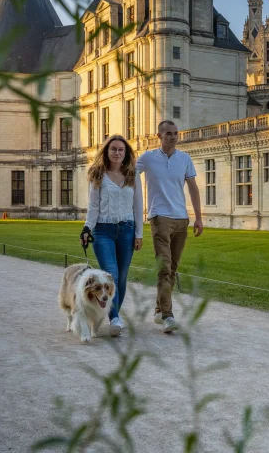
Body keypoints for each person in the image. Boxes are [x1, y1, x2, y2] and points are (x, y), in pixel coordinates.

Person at [136, 120, 203, 333]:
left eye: (176, 133)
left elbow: (193, 188)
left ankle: (158, 309)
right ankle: (167, 315)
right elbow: (128, 175)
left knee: (172, 269)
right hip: (159, 218)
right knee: (164, 267)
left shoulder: (184, 158)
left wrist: (198, 218)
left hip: (181, 219)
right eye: (168, 134)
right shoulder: (147, 157)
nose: (173, 137)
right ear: (159, 136)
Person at [80, 135, 143, 337]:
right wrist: (87, 228)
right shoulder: (97, 173)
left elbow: (137, 206)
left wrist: (139, 234)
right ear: (107, 152)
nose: (117, 153)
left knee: (122, 277)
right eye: (113, 149)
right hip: (103, 230)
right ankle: (114, 317)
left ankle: (112, 315)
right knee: (111, 274)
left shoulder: (133, 175)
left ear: (126, 154)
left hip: (127, 230)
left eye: (121, 150)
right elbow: (93, 206)